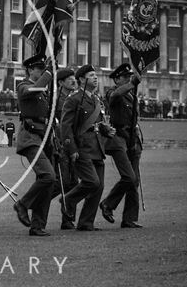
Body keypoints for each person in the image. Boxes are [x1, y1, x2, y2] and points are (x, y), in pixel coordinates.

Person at [60, 65, 115, 231]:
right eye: (91, 75)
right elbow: (66, 127)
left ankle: (86, 222)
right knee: (92, 181)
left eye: (95, 75)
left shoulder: (96, 99)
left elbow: (97, 124)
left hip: (97, 146)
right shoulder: (74, 99)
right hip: (82, 146)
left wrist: (106, 129)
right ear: (82, 80)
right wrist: (72, 149)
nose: (96, 78)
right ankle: (68, 200)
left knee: (99, 186)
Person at [12, 55, 57, 236]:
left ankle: (38, 225)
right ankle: (22, 204)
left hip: (43, 137)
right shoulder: (23, 85)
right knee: (48, 176)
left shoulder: (42, 90)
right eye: (39, 69)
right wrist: (49, 73)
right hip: (30, 137)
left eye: (43, 69)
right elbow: (30, 91)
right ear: (31, 70)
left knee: (46, 182)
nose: (42, 73)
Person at [100, 63, 144, 229]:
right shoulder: (113, 92)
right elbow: (116, 95)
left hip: (132, 139)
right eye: (125, 77)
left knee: (134, 181)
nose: (128, 80)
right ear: (117, 79)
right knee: (129, 177)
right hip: (118, 138)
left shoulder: (132, 95)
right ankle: (108, 204)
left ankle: (129, 218)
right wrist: (132, 83)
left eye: (129, 77)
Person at [51, 68, 79, 230]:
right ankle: (34, 203)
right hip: (60, 144)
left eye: (74, 78)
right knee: (62, 182)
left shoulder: (74, 97)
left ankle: (68, 220)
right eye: (70, 79)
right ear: (61, 83)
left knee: (74, 183)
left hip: (73, 144)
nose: (74, 81)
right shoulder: (56, 100)